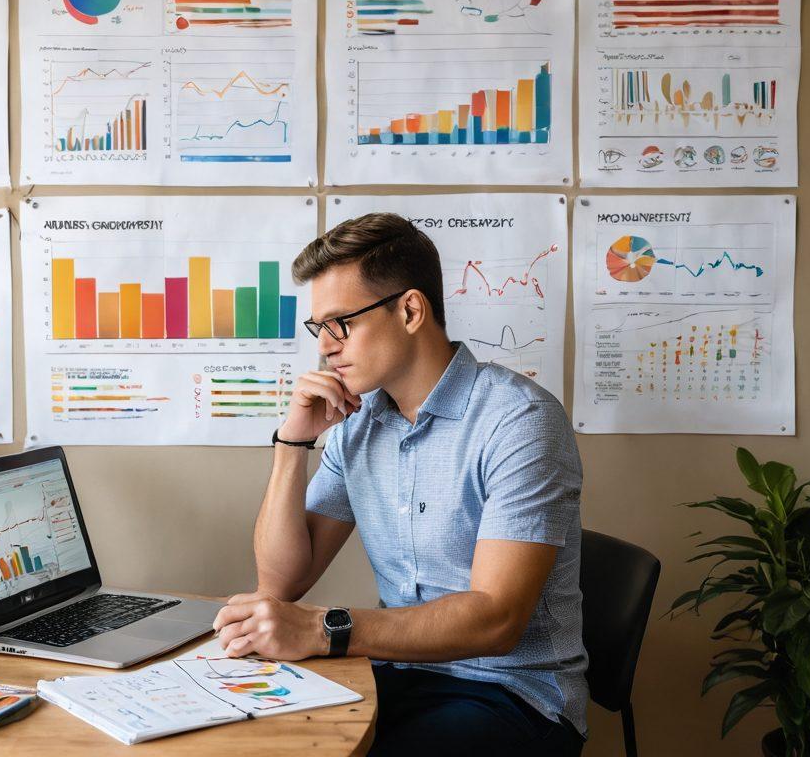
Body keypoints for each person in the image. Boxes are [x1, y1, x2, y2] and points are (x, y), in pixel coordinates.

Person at [213, 213, 587, 756]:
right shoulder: (356, 426)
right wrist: (292, 445)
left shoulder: (519, 421)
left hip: (512, 695)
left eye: (341, 323)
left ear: (410, 310)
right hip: (394, 676)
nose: (326, 347)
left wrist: (322, 630)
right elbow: (280, 582)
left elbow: (497, 620)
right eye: (320, 328)